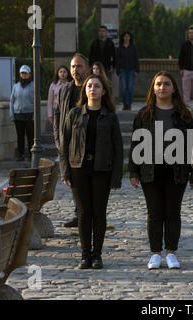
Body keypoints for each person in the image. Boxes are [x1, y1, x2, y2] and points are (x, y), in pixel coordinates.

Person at [128, 71, 193, 270]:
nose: (162, 87)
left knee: (173, 213)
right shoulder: (144, 114)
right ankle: (155, 253)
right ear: (153, 88)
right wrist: (133, 172)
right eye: (158, 84)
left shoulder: (183, 115)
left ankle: (172, 253)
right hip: (150, 170)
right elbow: (136, 143)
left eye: (166, 84)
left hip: (177, 171)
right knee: (154, 213)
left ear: (173, 88)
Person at [59, 74, 123, 269]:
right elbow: (65, 145)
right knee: (84, 213)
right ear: (84, 90)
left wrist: (116, 177)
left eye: (97, 86)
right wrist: (65, 172)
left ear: (103, 91)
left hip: (102, 169)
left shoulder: (110, 117)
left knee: (99, 213)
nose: (92, 89)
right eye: (89, 86)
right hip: (79, 169)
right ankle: (85, 255)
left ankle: (97, 255)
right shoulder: (75, 114)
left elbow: (118, 149)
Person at [54, 53, 90, 228]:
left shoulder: (92, 88)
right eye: (73, 66)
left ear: (87, 68)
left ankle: (88, 215)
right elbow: (58, 113)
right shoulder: (65, 89)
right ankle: (79, 215)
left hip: (87, 143)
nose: (76, 70)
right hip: (68, 143)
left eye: (79, 66)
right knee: (74, 182)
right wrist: (57, 137)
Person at [10, 65, 34, 162]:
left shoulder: (33, 86)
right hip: (18, 115)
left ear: (29, 74)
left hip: (29, 115)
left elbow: (37, 101)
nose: (23, 75)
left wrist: (35, 115)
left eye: (25, 73)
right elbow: (12, 100)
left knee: (30, 136)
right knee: (20, 136)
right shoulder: (15, 86)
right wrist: (12, 115)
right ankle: (21, 154)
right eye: (22, 73)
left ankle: (31, 155)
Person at [116, 31, 139, 111]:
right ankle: (125, 104)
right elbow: (117, 60)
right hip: (122, 70)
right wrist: (118, 71)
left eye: (128, 36)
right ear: (123, 38)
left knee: (130, 88)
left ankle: (129, 104)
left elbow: (136, 59)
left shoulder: (133, 47)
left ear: (130, 38)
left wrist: (137, 70)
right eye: (125, 36)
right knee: (124, 88)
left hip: (131, 70)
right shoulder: (120, 48)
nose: (126, 38)